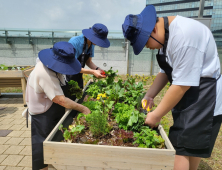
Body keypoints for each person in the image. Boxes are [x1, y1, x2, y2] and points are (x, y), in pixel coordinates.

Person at [122, 5, 222, 170]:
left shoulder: (184, 36)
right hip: (191, 90)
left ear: (153, 28)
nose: (147, 47)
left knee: (180, 147)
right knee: (189, 144)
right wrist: (149, 95)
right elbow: (166, 71)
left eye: (145, 42)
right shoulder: (166, 36)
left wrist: (155, 115)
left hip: (205, 95)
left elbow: (182, 85)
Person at [25, 41, 91, 170]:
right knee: (42, 146)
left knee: (54, 140)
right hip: (42, 114)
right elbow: (61, 100)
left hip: (52, 109)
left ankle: (54, 164)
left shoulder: (52, 66)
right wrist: (83, 108)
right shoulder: (43, 73)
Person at [67, 23, 110, 99]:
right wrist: (93, 72)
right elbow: (72, 67)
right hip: (67, 77)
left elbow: (88, 62)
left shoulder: (91, 44)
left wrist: (98, 69)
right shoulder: (74, 42)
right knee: (68, 100)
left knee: (78, 99)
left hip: (79, 75)